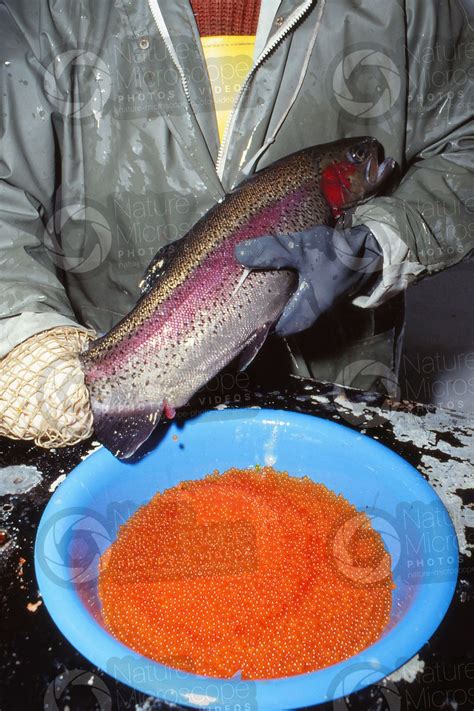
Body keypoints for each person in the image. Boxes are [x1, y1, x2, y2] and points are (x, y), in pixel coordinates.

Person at [0, 0, 472, 448]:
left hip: (337, 395)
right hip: (114, 372)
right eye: (354, 158)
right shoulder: (37, 11)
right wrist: (27, 332)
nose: (365, 159)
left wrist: (383, 238)